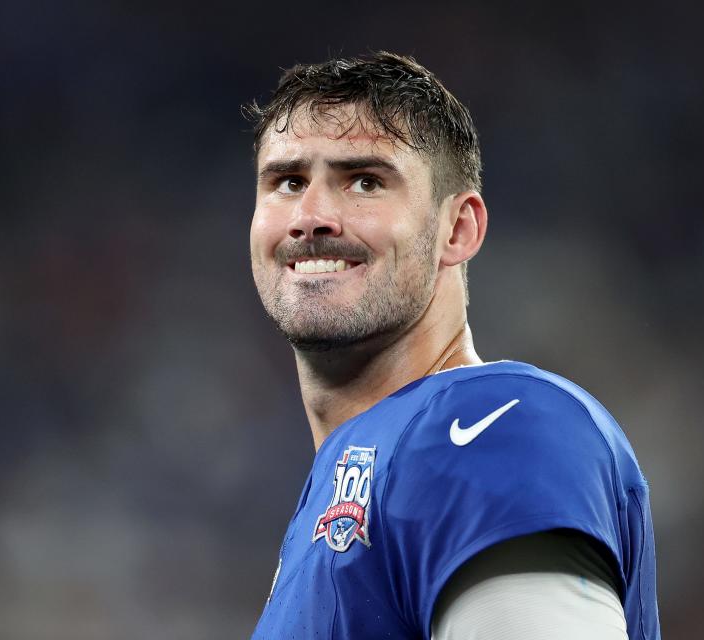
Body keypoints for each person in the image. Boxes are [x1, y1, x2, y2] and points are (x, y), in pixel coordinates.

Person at [246, 51, 660, 639]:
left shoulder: (490, 427)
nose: (311, 217)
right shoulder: (347, 483)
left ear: (457, 228)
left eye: (365, 181)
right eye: (288, 182)